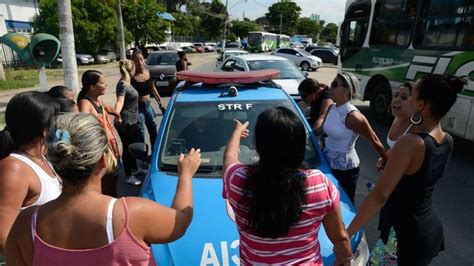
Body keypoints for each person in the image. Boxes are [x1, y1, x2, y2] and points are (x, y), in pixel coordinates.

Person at [5, 113, 201, 265]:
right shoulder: (131, 214)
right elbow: (180, 220)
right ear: (102, 160)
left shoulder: (25, 224)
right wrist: (185, 174)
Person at [347, 74, 465, 265]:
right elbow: (417, 175)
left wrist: (346, 234)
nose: (407, 99)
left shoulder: (410, 144)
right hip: (428, 230)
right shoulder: (447, 140)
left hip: (403, 236)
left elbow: (379, 197)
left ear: (421, 105)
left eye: (412, 95)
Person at [223, 107, 352, 265]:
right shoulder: (320, 184)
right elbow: (339, 237)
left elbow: (229, 159)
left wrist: (237, 133)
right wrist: (345, 258)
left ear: (259, 146)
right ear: (300, 146)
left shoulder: (238, 181)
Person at [0, 92, 61, 255]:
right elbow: (5, 236)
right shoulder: (15, 168)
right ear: (44, 128)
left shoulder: (40, 157)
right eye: (54, 120)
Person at [322, 72, 387, 203]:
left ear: (347, 89)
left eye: (335, 85)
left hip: (345, 171)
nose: (330, 88)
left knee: (344, 206)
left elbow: (373, 139)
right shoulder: (332, 107)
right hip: (326, 163)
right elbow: (321, 129)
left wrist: (386, 161)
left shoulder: (353, 116)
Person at [78, 70, 121, 196]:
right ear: (92, 87)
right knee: (106, 187)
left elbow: (110, 109)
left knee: (112, 182)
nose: (106, 86)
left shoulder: (98, 100)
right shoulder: (85, 103)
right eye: (102, 83)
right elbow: (82, 125)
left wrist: (117, 115)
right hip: (101, 154)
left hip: (111, 152)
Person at [114, 59, 143, 186]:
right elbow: (120, 101)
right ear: (131, 70)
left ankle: (134, 169)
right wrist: (116, 114)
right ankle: (128, 175)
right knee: (127, 148)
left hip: (132, 120)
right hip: (126, 122)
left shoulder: (127, 83)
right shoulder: (123, 85)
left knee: (133, 146)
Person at [132, 52, 166, 147]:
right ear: (133, 62)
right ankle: (142, 155)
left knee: (153, 129)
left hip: (148, 106)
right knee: (140, 130)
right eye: (136, 60)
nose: (139, 62)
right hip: (138, 108)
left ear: (144, 60)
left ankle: (154, 153)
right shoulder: (131, 77)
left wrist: (160, 103)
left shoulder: (149, 72)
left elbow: (153, 89)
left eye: (141, 59)